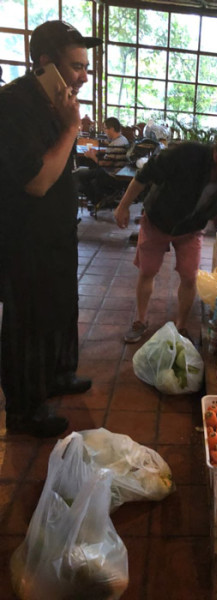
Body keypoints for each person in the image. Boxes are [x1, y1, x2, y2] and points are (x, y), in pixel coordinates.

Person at [0, 20, 102, 437]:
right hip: (25, 240)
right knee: (29, 323)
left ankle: (58, 375)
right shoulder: (12, 105)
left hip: (58, 234)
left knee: (61, 307)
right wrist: (72, 127)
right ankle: (25, 410)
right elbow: (38, 181)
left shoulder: (55, 103)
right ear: (45, 63)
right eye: (77, 66)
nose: (84, 76)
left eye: (86, 68)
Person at [114, 135, 217, 343]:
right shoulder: (187, 154)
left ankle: (181, 326)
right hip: (157, 220)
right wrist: (123, 205)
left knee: (189, 277)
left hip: (190, 230)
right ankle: (140, 320)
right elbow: (144, 175)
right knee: (147, 271)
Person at [76, 116, 129, 208]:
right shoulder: (123, 139)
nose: (104, 131)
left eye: (105, 128)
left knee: (80, 175)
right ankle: (99, 201)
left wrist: (92, 156)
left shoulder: (115, 144)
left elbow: (105, 163)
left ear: (111, 129)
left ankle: (97, 202)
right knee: (87, 176)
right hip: (117, 173)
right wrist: (98, 153)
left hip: (112, 176)